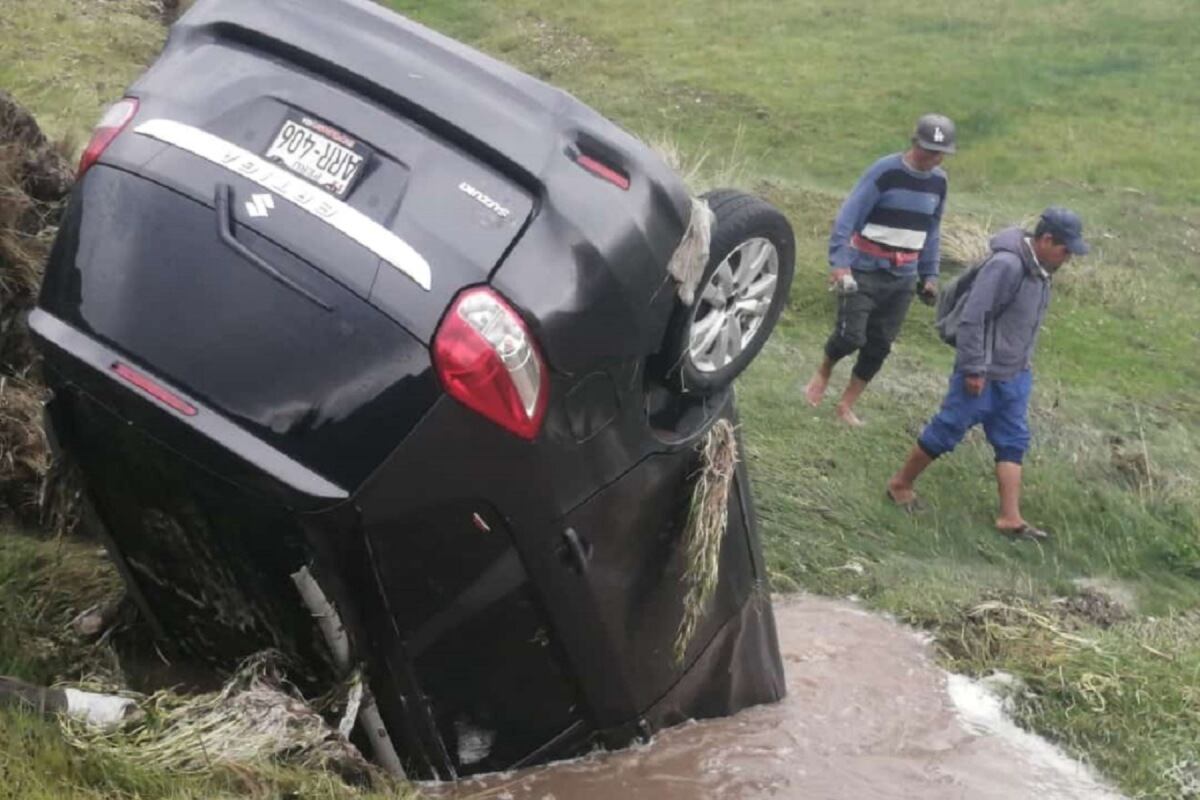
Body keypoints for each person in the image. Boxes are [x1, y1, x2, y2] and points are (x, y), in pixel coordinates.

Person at [885, 207, 1090, 539]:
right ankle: (899, 484)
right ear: (1046, 239)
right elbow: (973, 317)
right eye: (1065, 250)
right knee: (947, 430)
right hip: (982, 374)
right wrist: (973, 368)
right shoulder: (1006, 266)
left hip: (1015, 374)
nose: (1068, 258)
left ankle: (1010, 518)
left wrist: (1021, 366)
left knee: (1013, 441)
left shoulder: (1042, 271)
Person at [805, 113, 955, 425]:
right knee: (850, 337)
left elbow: (932, 230)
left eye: (940, 153)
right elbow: (848, 217)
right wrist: (840, 263)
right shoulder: (884, 171)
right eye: (929, 150)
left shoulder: (939, 182)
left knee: (880, 345)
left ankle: (846, 405)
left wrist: (929, 275)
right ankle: (823, 371)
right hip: (864, 269)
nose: (934, 158)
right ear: (915, 143)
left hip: (904, 276)